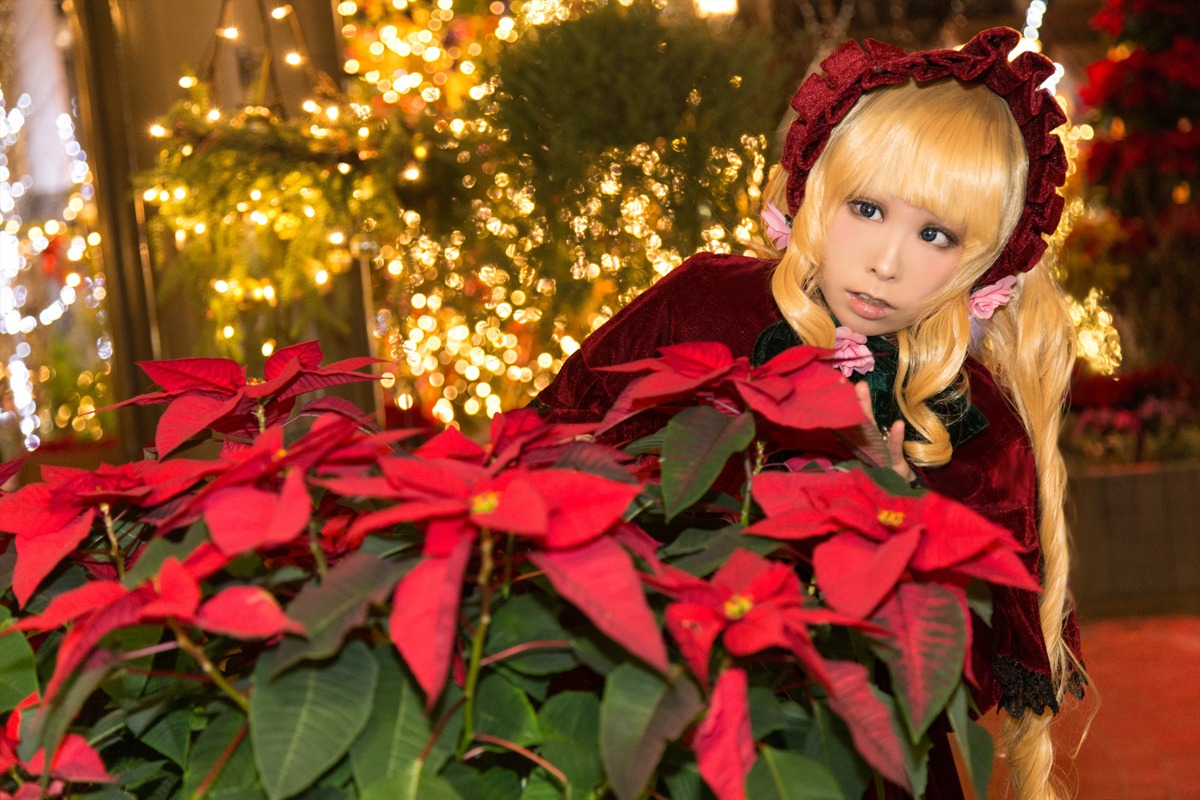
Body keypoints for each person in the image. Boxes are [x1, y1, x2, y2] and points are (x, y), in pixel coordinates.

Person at [532, 26, 1086, 800]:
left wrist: (902, 530)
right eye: (865, 208)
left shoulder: (968, 414)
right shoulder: (705, 306)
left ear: (988, 257)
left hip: (855, 759)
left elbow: (971, 667)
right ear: (815, 185)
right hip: (659, 729)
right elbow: (550, 456)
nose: (886, 262)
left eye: (935, 234)